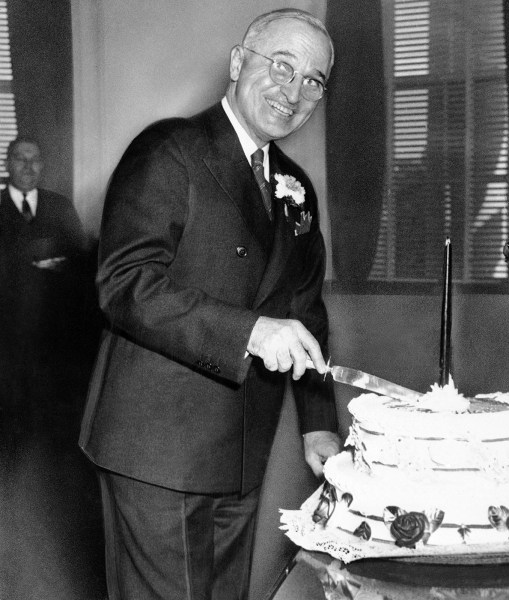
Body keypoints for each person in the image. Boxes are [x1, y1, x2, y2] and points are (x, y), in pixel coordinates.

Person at [78, 9, 341, 600]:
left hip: (239, 449)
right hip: (156, 450)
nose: (293, 90)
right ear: (236, 62)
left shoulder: (295, 185)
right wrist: (249, 332)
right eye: (281, 64)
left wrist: (319, 424)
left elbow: (307, 311)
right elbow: (124, 284)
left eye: (313, 80)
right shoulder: (170, 150)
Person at [0, 137, 88, 444]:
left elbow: (81, 261)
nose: (27, 165)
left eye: (34, 159)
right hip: (7, 336)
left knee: (53, 429)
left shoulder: (60, 206)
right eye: (20, 158)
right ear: (7, 163)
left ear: (43, 166)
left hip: (54, 335)